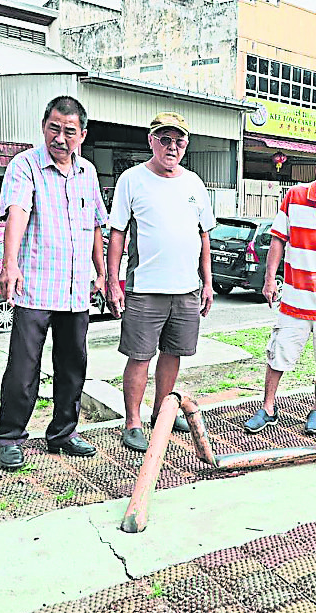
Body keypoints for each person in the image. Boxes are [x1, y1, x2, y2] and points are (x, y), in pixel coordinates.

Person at [0, 96, 107, 470]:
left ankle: (62, 433)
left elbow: (94, 226)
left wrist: (102, 271)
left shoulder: (88, 172)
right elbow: (18, 212)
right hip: (37, 285)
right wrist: (10, 264)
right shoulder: (25, 165)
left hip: (76, 287)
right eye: (54, 128)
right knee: (24, 367)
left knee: (73, 364)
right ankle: (10, 437)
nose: (60, 138)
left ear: (82, 135)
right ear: (44, 126)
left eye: (69, 131)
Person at [105, 112, 216, 452]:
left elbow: (204, 236)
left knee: (173, 354)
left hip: (186, 289)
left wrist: (207, 283)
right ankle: (133, 422)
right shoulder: (132, 179)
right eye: (164, 139)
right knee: (140, 356)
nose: (172, 147)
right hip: (145, 288)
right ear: (151, 141)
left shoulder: (194, 183)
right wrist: (113, 280)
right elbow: (118, 232)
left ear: (186, 145)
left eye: (178, 141)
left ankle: (161, 414)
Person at [243, 147, 316, 436]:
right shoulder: (294, 197)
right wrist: (270, 279)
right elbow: (277, 241)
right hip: (295, 297)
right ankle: (268, 408)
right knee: (279, 353)